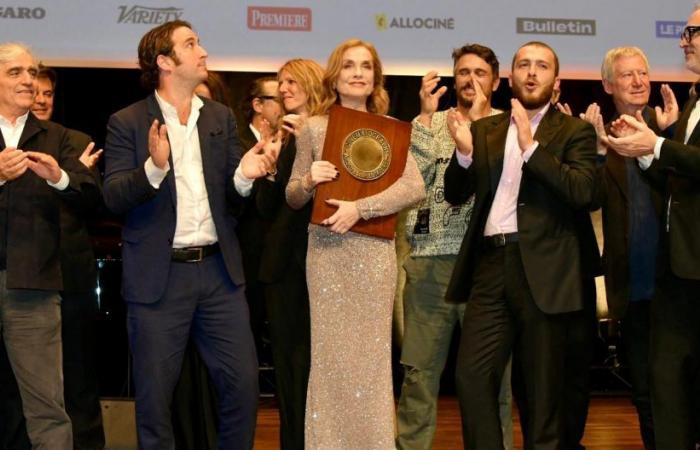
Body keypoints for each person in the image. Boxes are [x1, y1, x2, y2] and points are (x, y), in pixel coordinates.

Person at [102, 20, 278, 449]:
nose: (202, 52)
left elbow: (234, 198)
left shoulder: (218, 117)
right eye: (191, 44)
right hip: (160, 280)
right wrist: (155, 168)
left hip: (219, 274)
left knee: (240, 387)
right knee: (155, 400)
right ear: (165, 61)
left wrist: (245, 177)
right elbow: (113, 196)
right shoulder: (127, 121)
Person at [444, 41, 597, 449]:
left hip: (546, 272)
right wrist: (462, 155)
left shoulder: (574, 131)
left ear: (556, 82)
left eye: (542, 66)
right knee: (471, 376)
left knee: (541, 393)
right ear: (511, 78)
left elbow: (583, 191)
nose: (532, 73)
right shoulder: (486, 129)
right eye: (524, 65)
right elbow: (456, 194)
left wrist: (531, 147)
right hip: (491, 266)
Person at [285, 38, 425, 449]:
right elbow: (293, 195)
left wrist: (359, 209)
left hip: (374, 256)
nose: (358, 73)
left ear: (375, 78)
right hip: (327, 256)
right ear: (336, 75)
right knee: (329, 360)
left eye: (366, 66)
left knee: (371, 361)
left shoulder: (391, 128)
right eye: (349, 66)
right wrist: (311, 177)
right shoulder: (312, 127)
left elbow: (414, 185)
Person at [395, 43, 513, 450]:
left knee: (492, 377)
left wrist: (481, 129)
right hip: (431, 264)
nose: (470, 79)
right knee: (418, 375)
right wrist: (426, 118)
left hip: (489, 265)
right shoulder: (428, 123)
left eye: (480, 72)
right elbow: (410, 184)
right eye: (463, 71)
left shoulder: (512, 126)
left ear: (496, 81)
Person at [604, 7, 700, 447]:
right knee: (663, 389)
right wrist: (648, 151)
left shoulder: (677, 119)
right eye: (683, 33)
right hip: (670, 277)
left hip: (689, 272)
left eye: (692, 32)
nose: (684, 41)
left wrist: (658, 144)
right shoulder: (696, 102)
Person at [577, 46, 677, 450]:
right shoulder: (603, 138)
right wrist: (598, 155)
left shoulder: (671, 127)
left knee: (681, 386)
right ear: (607, 85)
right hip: (631, 289)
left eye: (643, 73)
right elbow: (590, 199)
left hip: (678, 282)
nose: (638, 82)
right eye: (627, 75)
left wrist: (666, 137)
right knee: (645, 392)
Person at [0, 42, 99, 450]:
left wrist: (60, 177)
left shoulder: (58, 137)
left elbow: (92, 195)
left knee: (47, 408)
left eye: (31, 71)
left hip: (32, 288)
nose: (28, 80)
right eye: (15, 73)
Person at [255, 58, 324, 450]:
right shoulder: (281, 137)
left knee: (319, 367)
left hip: (325, 261)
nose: (283, 89)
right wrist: (268, 166)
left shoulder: (330, 130)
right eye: (280, 83)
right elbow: (267, 208)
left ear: (313, 83)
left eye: (291, 81)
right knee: (289, 370)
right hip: (283, 269)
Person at [170, 70, 233, 450]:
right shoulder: (144, 129)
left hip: (218, 272)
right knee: (173, 380)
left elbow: (236, 199)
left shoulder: (225, 138)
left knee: (226, 380)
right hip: (170, 275)